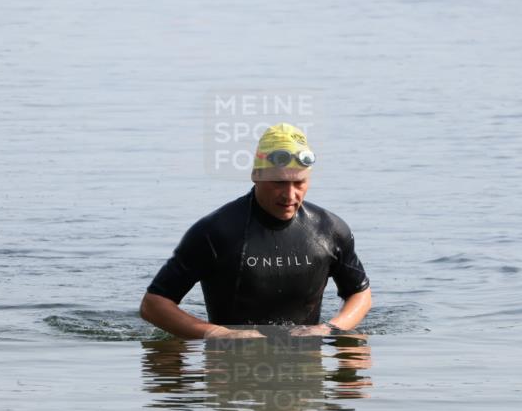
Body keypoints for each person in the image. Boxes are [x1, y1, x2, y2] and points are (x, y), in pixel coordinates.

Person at [140, 123, 372, 339]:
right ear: (256, 175)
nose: (290, 195)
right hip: (232, 367)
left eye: (299, 183)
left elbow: (360, 293)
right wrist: (220, 335)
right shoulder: (215, 232)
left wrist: (330, 328)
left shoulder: (328, 230)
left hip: (305, 368)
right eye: (278, 182)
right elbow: (154, 304)